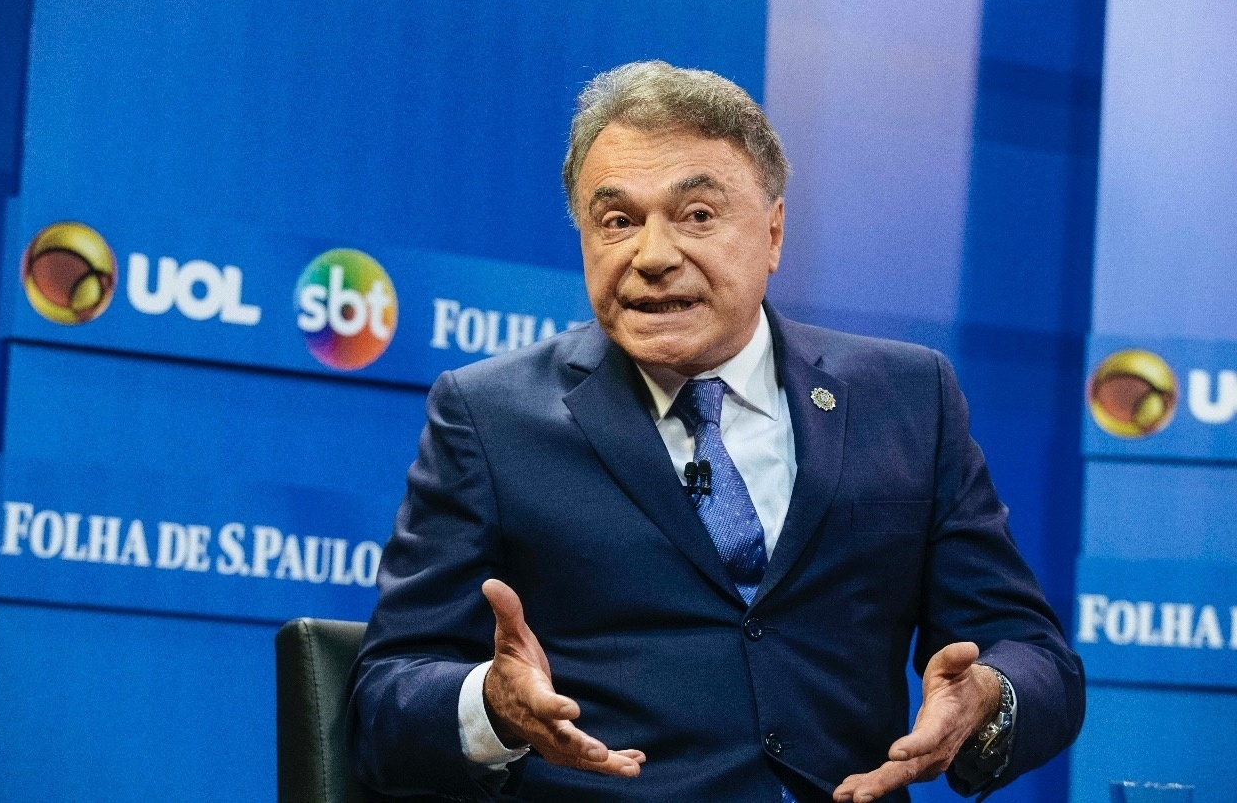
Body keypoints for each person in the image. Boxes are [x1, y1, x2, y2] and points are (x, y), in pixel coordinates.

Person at [348, 61, 1084, 802]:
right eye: (618, 221)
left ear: (773, 232)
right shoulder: (490, 416)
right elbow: (383, 699)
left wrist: (989, 698)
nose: (653, 256)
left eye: (697, 215)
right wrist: (491, 706)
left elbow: (1032, 651)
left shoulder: (907, 398)